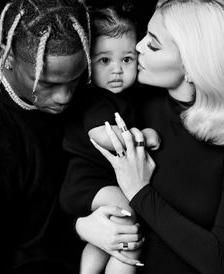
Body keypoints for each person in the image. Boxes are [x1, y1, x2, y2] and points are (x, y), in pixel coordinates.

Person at [61, 0, 224, 273]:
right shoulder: (127, 103)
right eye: (145, 36)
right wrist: (81, 226)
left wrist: (140, 192)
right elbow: (66, 189)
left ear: (191, 65)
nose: (138, 47)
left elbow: (218, 260)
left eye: (154, 44)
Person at [0, 0, 91, 273]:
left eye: (75, 79)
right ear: (6, 56)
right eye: (48, 84)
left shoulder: (91, 98)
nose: (65, 97)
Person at [76, 5, 159, 274]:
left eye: (126, 59)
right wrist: (140, 137)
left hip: (108, 181)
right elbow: (102, 135)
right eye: (104, 60)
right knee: (126, 222)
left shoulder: (133, 97)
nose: (116, 70)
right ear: (88, 62)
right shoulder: (95, 100)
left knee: (112, 228)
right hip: (89, 180)